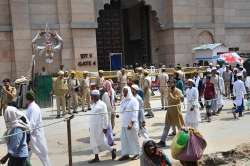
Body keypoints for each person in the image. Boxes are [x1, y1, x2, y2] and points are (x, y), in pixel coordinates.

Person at [88, 90, 116, 163]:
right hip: (93, 126)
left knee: (101, 142)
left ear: (96, 96)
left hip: (100, 127)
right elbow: (91, 117)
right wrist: (90, 126)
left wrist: (105, 127)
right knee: (93, 141)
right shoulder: (93, 104)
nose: (91, 97)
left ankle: (112, 150)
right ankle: (96, 157)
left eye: (92, 96)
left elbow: (105, 116)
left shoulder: (102, 104)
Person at [25, 92, 51, 166]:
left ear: (27, 99)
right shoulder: (30, 107)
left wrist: (26, 131)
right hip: (31, 137)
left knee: (44, 157)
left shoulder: (34, 108)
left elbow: (32, 123)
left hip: (36, 137)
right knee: (25, 157)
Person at [157, 79, 185, 147]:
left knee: (180, 127)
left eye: (171, 83)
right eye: (168, 83)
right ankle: (162, 141)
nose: (169, 85)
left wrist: (171, 94)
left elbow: (178, 99)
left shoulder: (178, 91)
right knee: (166, 127)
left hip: (176, 112)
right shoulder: (167, 90)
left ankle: (184, 142)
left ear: (174, 84)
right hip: (169, 112)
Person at [119, 86, 140, 161]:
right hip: (124, 124)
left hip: (132, 124)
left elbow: (135, 112)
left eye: (125, 92)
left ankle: (137, 153)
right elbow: (121, 110)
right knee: (124, 140)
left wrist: (131, 122)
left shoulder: (134, 101)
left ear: (129, 92)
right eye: (123, 91)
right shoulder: (124, 100)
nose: (124, 93)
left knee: (134, 139)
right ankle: (126, 154)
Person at [100, 80, 115, 145]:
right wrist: (112, 111)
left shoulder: (102, 92)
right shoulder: (106, 94)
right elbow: (108, 105)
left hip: (103, 112)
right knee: (108, 127)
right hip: (107, 112)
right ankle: (110, 141)